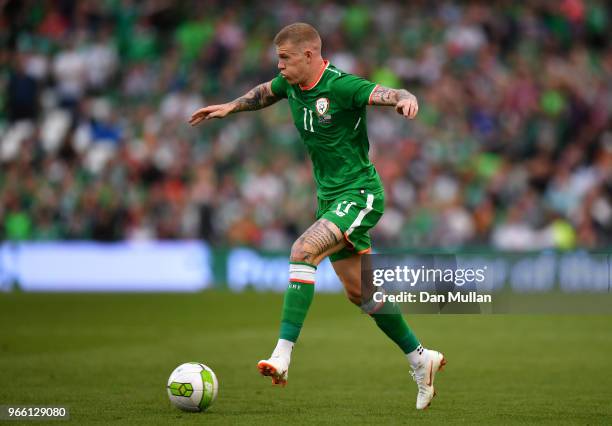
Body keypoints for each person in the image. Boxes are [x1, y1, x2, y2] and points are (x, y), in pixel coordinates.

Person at [189, 22, 445, 410]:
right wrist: (231, 107)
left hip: (359, 195)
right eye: (278, 60)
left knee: (303, 250)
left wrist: (405, 98)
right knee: (363, 293)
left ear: (309, 56)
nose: (280, 67)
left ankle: (282, 354)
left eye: (285, 59)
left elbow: (388, 92)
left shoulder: (341, 86)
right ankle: (420, 357)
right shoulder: (291, 84)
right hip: (330, 199)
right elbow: (263, 94)